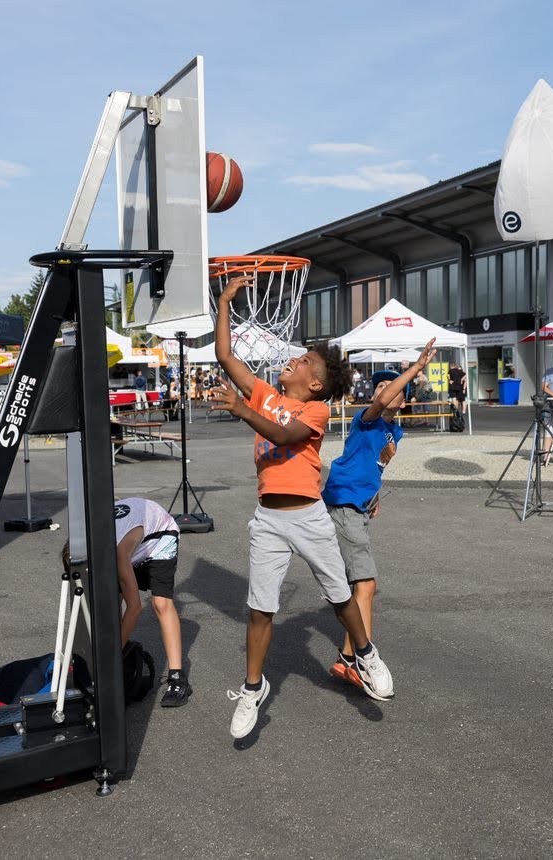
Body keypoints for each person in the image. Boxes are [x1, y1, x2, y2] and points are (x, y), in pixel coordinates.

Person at [209, 273, 394, 739]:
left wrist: (241, 411)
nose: (293, 359)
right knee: (260, 608)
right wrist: (226, 303)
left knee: (338, 596)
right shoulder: (266, 395)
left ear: (314, 383)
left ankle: (366, 654)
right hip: (269, 519)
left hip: (309, 516)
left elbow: (285, 436)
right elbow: (226, 355)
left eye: (305, 360)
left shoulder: (315, 412)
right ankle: (254, 688)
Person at [323, 339, 437, 690]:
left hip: (358, 506)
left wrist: (374, 496)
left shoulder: (394, 431)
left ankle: (346, 659)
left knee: (358, 587)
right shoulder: (367, 419)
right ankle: (361, 658)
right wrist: (414, 368)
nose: (389, 391)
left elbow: (374, 465)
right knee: (366, 585)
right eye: (383, 385)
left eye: (396, 386)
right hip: (342, 505)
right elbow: (380, 402)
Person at [65, 497, 190, 707]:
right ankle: (110, 656)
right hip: (134, 535)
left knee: (160, 603)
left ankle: (178, 678)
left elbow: (135, 608)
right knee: (111, 598)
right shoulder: (87, 540)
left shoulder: (117, 552)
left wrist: (111, 657)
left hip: (159, 536)